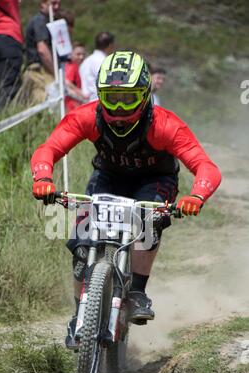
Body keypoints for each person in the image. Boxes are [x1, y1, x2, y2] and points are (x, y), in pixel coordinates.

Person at [30, 51, 222, 348]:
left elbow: (205, 166)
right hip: (108, 177)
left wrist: (197, 195)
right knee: (81, 246)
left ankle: (137, 292)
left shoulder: (165, 124)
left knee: (148, 222)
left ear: (145, 96)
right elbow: (49, 148)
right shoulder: (87, 116)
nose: (119, 109)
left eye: (128, 99)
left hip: (154, 180)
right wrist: (43, 178)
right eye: (112, 97)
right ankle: (79, 312)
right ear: (99, 95)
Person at [19, 0, 61, 105]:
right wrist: (56, 73)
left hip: (41, 71)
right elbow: (42, 50)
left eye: (59, 4)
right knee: (49, 106)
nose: (57, 7)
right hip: (40, 72)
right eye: (53, 3)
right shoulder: (40, 21)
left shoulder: (46, 21)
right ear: (42, 4)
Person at [80, 32, 115, 102]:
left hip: (84, 103)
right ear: (110, 45)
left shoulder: (86, 61)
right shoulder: (104, 61)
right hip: (98, 103)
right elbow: (111, 82)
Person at [65, 42, 88, 113]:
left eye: (83, 54)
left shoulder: (77, 67)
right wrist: (81, 93)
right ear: (71, 54)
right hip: (72, 105)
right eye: (78, 54)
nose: (81, 57)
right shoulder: (72, 66)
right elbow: (67, 82)